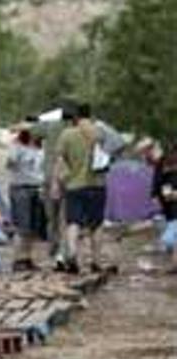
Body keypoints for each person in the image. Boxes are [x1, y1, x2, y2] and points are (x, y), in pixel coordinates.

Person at [52, 103, 107, 273]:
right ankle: (96, 262)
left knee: (73, 222)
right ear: (90, 115)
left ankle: (73, 254)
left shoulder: (66, 134)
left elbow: (59, 161)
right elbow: (115, 148)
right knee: (96, 225)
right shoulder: (99, 132)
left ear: (74, 117)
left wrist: (56, 183)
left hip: (74, 185)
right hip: (97, 185)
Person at [30, 102, 76, 268]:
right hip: (70, 177)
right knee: (66, 217)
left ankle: (54, 248)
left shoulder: (50, 126)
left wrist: (43, 118)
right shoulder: (75, 131)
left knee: (51, 216)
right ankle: (64, 252)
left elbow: (33, 130)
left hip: (50, 175)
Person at [7, 129, 46, 271]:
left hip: (37, 187)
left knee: (33, 227)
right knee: (21, 226)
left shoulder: (41, 148)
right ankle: (17, 259)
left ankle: (27, 257)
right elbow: (10, 163)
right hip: (20, 188)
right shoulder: (17, 146)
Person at [152, 148, 177, 272]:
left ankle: (174, 265)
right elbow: (166, 194)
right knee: (169, 240)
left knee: (170, 239)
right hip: (171, 211)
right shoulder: (166, 175)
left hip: (173, 213)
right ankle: (174, 265)